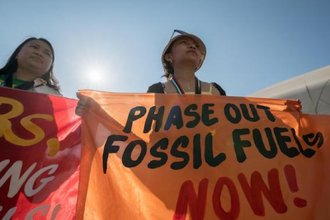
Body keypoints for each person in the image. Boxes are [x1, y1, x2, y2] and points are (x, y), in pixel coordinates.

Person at [147, 30, 226, 95]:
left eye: (196, 46)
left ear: (199, 60)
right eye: (184, 42)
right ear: (168, 57)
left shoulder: (216, 90)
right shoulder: (156, 90)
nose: (193, 46)